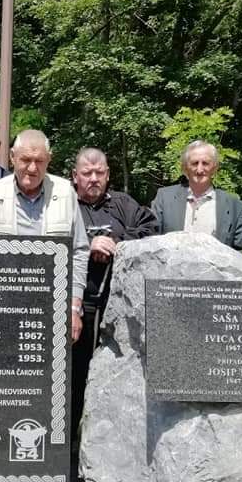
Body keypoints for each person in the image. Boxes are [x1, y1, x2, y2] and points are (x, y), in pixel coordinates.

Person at [72, 147, 157, 433]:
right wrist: (88, 242)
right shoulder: (64, 203)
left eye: (99, 173)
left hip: (118, 309)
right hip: (78, 305)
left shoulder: (123, 204)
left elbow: (152, 229)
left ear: (108, 175)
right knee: (75, 375)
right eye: (87, 173)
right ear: (75, 176)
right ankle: (70, 439)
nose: (93, 179)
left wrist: (116, 241)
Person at [0, 129, 88, 344]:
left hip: (54, 305)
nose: (32, 168)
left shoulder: (66, 192)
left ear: (49, 160)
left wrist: (74, 307)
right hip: (2, 305)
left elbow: (79, 251)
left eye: (39, 161)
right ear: (12, 157)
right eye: (25, 160)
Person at [151, 140, 242, 255]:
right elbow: (151, 241)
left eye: (205, 163)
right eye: (194, 163)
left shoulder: (236, 207)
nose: (199, 170)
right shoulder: (164, 198)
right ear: (185, 168)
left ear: (215, 167)